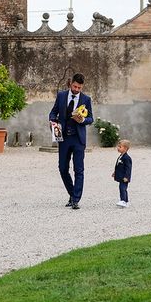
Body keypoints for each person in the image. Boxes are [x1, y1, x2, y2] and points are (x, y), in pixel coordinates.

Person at [49, 73, 93, 210]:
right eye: (75, 86)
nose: (77, 89)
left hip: (78, 139)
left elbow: (91, 119)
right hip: (64, 139)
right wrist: (52, 121)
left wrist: (83, 120)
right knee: (62, 168)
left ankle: (75, 200)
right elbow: (53, 113)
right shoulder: (61, 96)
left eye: (79, 87)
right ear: (70, 84)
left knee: (79, 169)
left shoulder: (86, 99)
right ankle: (72, 193)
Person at [112, 139, 132, 208]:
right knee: (122, 188)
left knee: (122, 188)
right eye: (118, 146)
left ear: (125, 148)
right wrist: (115, 172)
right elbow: (118, 165)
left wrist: (127, 176)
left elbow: (128, 168)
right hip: (121, 176)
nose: (118, 148)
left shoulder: (127, 158)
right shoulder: (121, 156)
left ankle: (123, 200)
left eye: (120, 147)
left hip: (124, 177)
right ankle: (126, 201)